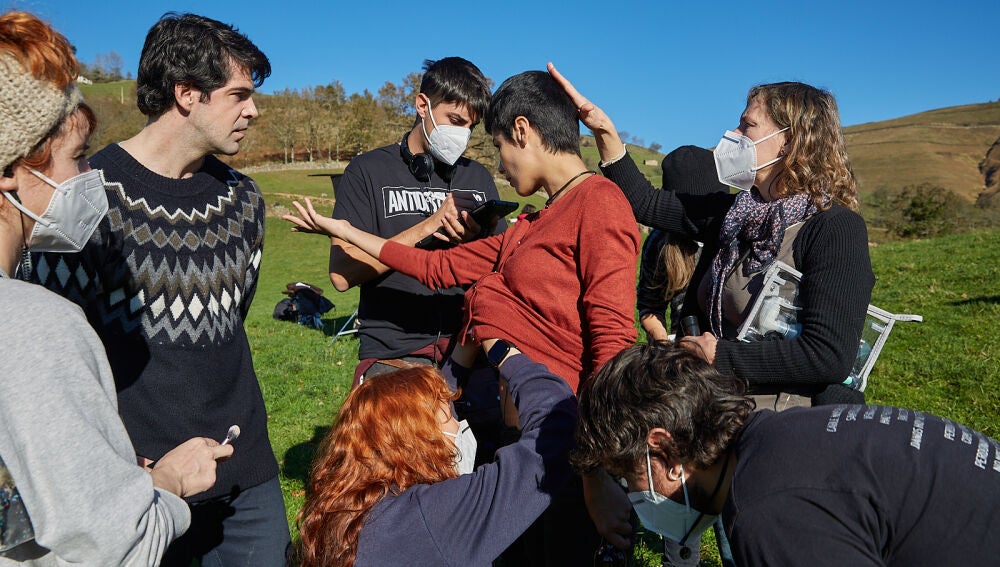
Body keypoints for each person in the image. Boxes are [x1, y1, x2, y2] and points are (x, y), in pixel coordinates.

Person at [285, 70, 640, 565]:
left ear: (522, 131)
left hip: (567, 440)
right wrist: (343, 229)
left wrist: (597, 470)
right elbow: (435, 266)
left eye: (497, 146)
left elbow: (613, 342)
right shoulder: (531, 224)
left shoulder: (599, 203)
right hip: (522, 438)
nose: (499, 163)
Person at [30, 13, 289, 566]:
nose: (254, 110)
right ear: (186, 92)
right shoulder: (82, 196)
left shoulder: (244, 201)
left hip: (249, 480)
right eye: (239, 94)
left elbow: (233, 319)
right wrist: (130, 467)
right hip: (140, 485)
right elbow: (55, 355)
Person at [0, 10, 231, 565]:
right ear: (10, 168)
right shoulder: (33, 325)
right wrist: (165, 486)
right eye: (77, 158)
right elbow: (109, 543)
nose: (88, 179)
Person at [552, 63, 874, 409]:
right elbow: (645, 202)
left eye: (747, 125)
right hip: (718, 399)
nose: (733, 133)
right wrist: (604, 131)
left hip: (785, 416)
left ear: (789, 142)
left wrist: (721, 355)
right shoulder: (734, 213)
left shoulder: (835, 229)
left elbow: (828, 355)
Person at [573, 343, 1000, 566]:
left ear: (664, 448)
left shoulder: (767, 510)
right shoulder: (785, 433)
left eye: (630, 477)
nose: (634, 493)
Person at [296, 340, 578, 567]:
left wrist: (458, 359)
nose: (459, 424)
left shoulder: (338, 512)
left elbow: (417, 410)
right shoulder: (437, 516)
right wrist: (507, 356)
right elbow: (556, 429)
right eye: (449, 415)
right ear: (421, 439)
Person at [326, 57, 503, 385]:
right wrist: (428, 226)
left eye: (470, 127)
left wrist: (476, 243)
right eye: (454, 120)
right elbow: (341, 275)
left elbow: (504, 272)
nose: (462, 135)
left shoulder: (477, 177)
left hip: (470, 351)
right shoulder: (367, 171)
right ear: (422, 104)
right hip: (392, 357)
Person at [636, 146, 727, 342]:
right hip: (686, 352)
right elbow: (650, 305)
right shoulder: (661, 242)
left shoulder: (737, 235)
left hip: (735, 354)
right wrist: (662, 341)